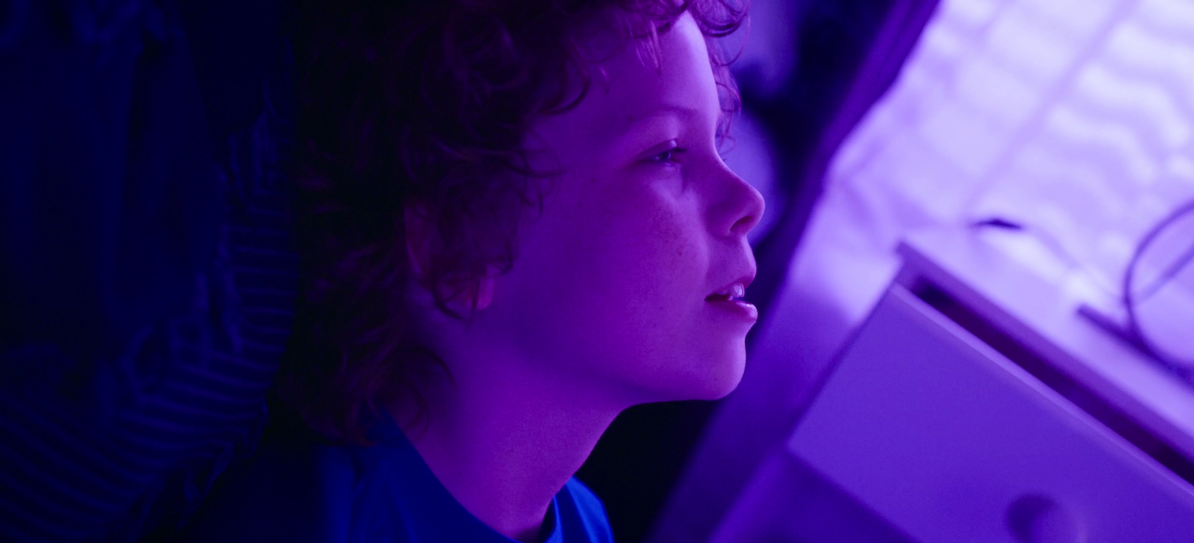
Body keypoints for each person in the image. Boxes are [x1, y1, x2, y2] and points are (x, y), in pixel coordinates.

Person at [186, 0, 763, 540]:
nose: (748, 202)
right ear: (457, 246)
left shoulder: (590, 527)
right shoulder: (304, 518)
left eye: (716, 142)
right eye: (665, 153)